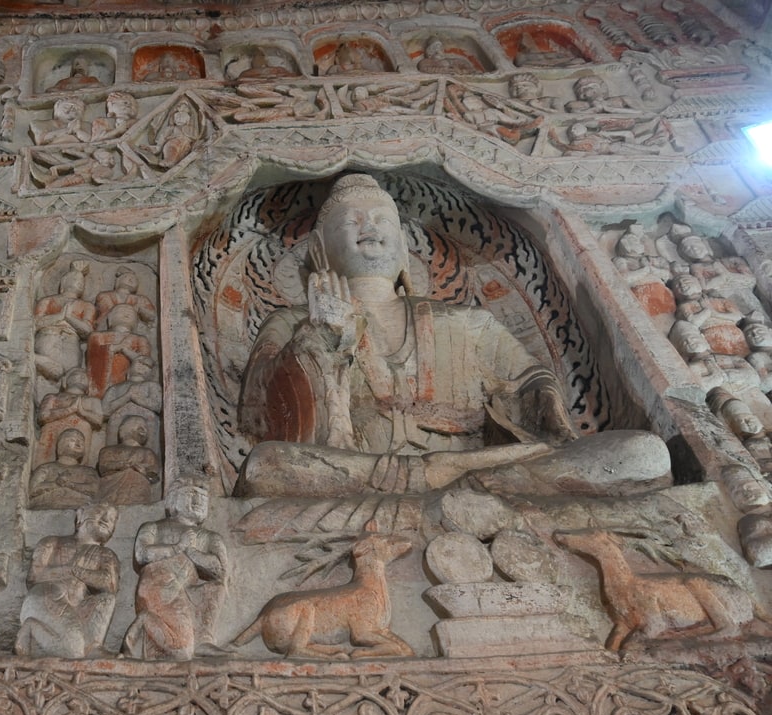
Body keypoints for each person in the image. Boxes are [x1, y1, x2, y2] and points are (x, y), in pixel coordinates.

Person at [236, 173, 670, 498]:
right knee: (266, 466)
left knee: (643, 453)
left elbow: (533, 388)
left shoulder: (469, 322)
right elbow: (261, 416)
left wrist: (542, 416)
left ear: (404, 248)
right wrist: (319, 336)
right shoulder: (293, 321)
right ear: (319, 249)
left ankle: (458, 476)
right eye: (352, 221)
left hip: (471, 462)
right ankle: (461, 485)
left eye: (382, 220)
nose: (370, 227)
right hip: (359, 470)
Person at [124, 478, 228, 660]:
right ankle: (144, 624)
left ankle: (204, 640)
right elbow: (142, 555)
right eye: (191, 494)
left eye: (203, 497)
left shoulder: (210, 537)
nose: (198, 501)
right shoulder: (153, 527)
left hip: (185, 589)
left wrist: (191, 551)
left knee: (217, 589)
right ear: (172, 499)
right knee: (181, 652)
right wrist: (176, 547)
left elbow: (220, 571)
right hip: (159, 584)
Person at [16, 503, 120, 658]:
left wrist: (77, 571)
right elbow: (34, 577)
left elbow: (109, 584)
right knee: (74, 651)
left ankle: (93, 646)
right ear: (80, 516)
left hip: (77, 605)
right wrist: (71, 571)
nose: (106, 519)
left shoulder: (106, 554)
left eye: (112, 519)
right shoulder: (51, 543)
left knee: (107, 599)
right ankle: (30, 630)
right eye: (99, 512)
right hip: (47, 596)